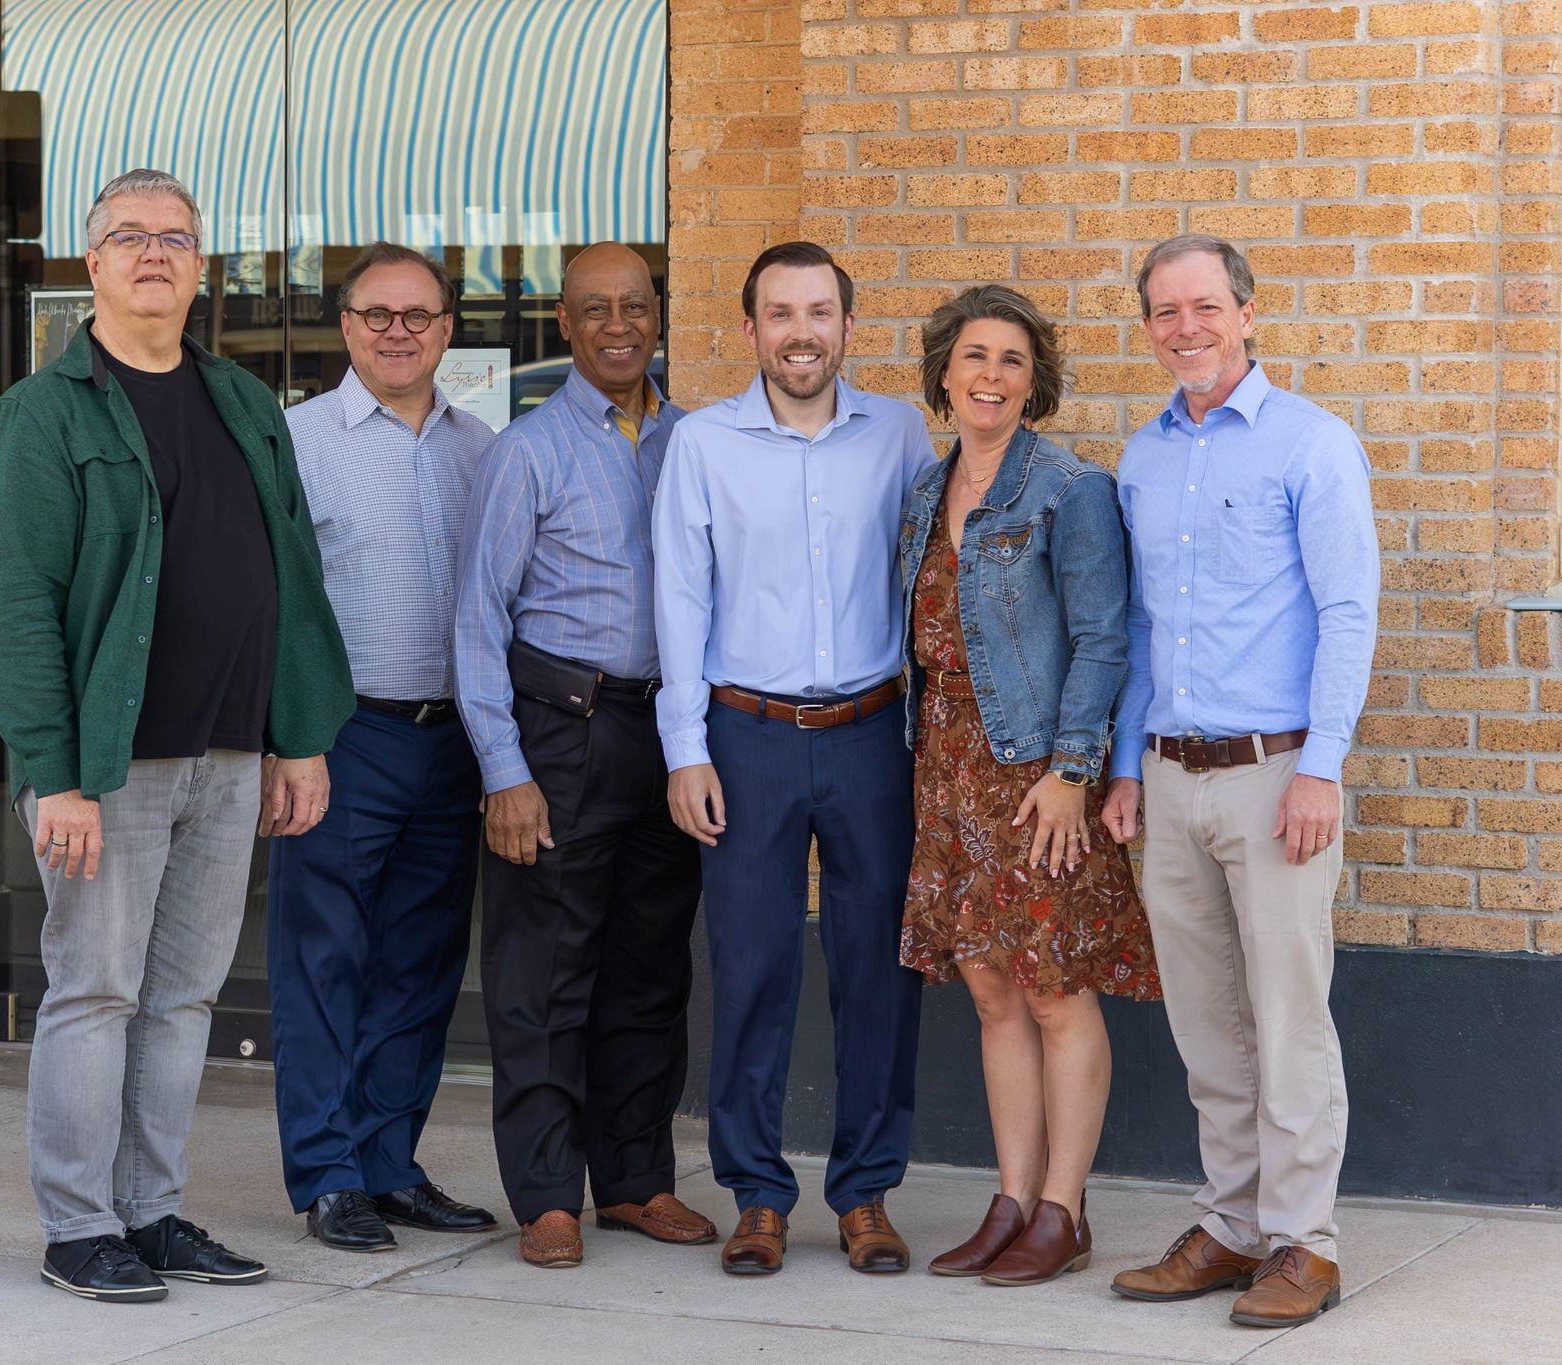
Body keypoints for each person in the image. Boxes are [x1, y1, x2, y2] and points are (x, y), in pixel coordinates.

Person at [0, 168, 353, 1302]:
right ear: (90, 266)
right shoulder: (43, 414)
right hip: (110, 766)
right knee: (95, 990)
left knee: (183, 997)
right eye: (128, 237)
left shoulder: (240, 402)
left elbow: (290, 576)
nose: (153, 254)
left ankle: (150, 1210)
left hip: (228, 754)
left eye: (174, 239)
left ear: (200, 268)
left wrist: (299, 737)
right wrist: (56, 776)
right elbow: (18, 610)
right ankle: (78, 1224)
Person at [1100, 235, 1378, 1328]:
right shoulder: (1141, 457)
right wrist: (1124, 766)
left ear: (1247, 313)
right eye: (1165, 312)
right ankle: (1228, 1224)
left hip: (1274, 781)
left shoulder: (1311, 445)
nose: (1186, 328)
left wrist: (1320, 768)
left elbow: (1347, 612)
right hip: (1169, 782)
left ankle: (1303, 1244)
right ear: (1148, 328)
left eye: (1204, 306)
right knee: (1206, 1023)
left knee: (1286, 1015)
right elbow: (1135, 626)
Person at [653, 241, 933, 1277]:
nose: (800, 331)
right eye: (779, 313)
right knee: (751, 967)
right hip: (746, 737)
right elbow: (678, 601)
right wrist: (684, 751)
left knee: (877, 974)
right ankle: (756, 1194)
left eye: (819, 311)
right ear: (749, 331)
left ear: (848, 329)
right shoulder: (704, 445)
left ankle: (864, 1193)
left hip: (871, 737)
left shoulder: (899, 435)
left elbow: (925, 586)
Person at [454, 242, 715, 1269]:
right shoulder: (525, 450)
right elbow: (476, 620)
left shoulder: (695, 441)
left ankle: (637, 1182)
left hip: (673, 737)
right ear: (562, 323)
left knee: (649, 971)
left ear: (660, 316)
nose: (618, 324)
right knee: (545, 973)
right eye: (594, 308)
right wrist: (503, 771)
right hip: (561, 731)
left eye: (635, 306)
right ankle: (548, 1193)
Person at [895, 285, 1161, 1288]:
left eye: (1010, 360)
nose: (990, 377)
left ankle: (1063, 1208)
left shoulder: (1067, 488)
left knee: (1053, 990)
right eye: (972, 356)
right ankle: (1009, 1200)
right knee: (991, 993)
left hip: (1033, 775)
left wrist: (1070, 771)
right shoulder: (925, 491)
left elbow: (1103, 638)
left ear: (1032, 380)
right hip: (946, 771)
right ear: (943, 372)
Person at [269, 243, 498, 1253]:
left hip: (452, 743)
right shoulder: (294, 442)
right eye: (377, 314)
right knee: (326, 962)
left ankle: (387, 1164)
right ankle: (325, 1173)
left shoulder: (481, 447)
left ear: (448, 327)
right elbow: (270, 608)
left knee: (419, 965)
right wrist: (289, 741)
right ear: (346, 326)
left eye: (418, 314)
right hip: (341, 736)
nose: (398, 330)